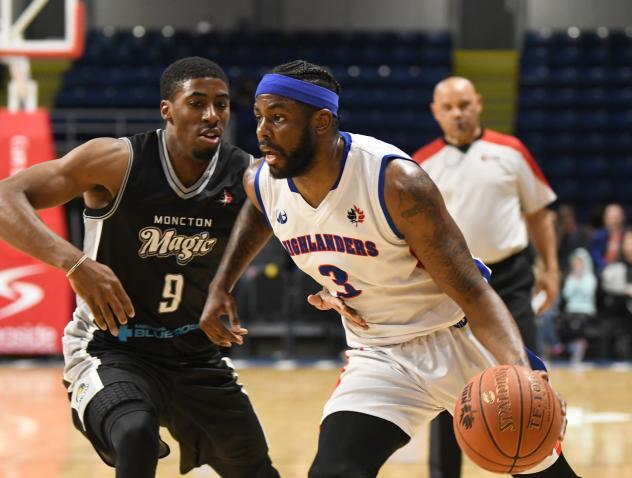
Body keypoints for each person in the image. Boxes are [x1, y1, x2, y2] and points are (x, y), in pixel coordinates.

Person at [198, 60, 580, 478]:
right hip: (380, 353)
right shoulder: (263, 178)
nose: (262, 131)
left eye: (279, 118)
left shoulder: (396, 183)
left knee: (540, 469)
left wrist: (523, 377)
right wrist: (223, 283)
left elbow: (473, 292)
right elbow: (259, 208)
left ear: (322, 121)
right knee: (333, 472)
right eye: (259, 118)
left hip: (457, 340)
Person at [0, 57, 279, 478]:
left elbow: (281, 218)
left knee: (257, 470)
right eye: (197, 103)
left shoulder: (245, 174)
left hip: (194, 351)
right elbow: (6, 197)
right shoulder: (116, 160)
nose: (212, 115)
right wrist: (74, 262)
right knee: (135, 433)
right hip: (112, 347)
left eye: (221, 105)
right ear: (167, 109)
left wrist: (225, 282)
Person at [412, 76, 560, 478]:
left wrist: (551, 267)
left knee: (530, 384)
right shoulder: (420, 164)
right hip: (452, 285)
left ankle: (537, 467)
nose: (458, 113)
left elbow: (538, 213)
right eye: (449, 107)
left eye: (464, 105)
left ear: (478, 104)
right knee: (451, 392)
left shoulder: (511, 151)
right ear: (435, 112)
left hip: (511, 280)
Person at [560, 248, 597, 363]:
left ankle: (579, 346)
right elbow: (566, 294)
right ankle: (570, 346)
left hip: (586, 310)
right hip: (571, 309)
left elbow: (588, 293)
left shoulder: (590, 278)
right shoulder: (571, 278)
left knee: (579, 322)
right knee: (563, 321)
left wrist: (578, 283)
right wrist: (576, 280)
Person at [590, 202, 626, 273]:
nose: (614, 221)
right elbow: (596, 258)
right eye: (611, 217)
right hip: (603, 271)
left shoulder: (628, 236)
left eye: (616, 217)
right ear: (604, 219)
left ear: (623, 217)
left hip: (624, 271)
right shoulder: (597, 237)